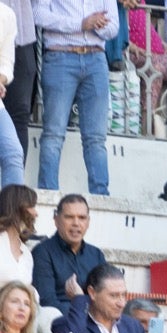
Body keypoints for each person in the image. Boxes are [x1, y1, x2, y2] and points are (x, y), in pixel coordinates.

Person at [33, 0, 116, 194]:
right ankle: (48, 192)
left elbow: (114, 27)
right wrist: (81, 24)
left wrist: (97, 25)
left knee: (96, 138)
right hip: (60, 55)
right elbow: (39, 14)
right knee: (54, 133)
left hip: (96, 58)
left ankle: (101, 195)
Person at [31, 198, 105, 315]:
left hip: (94, 323)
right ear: (56, 220)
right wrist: (82, 310)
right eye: (69, 217)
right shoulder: (42, 252)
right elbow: (47, 302)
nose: (76, 223)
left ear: (88, 222)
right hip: (59, 324)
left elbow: (104, 298)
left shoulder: (96, 255)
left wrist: (81, 301)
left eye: (82, 218)